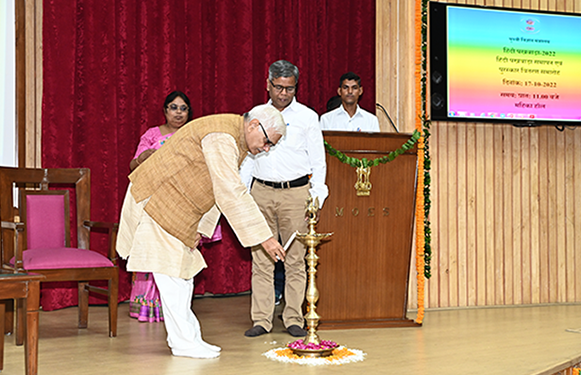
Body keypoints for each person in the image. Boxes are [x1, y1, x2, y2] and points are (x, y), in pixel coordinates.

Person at [116, 104, 287, 359]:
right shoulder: (222, 135)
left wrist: (200, 228)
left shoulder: (234, 136)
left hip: (177, 208)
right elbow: (229, 191)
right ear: (253, 125)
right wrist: (266, 238)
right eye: (267, 142)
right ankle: (184, 343)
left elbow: (213, 186)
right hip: (157, 201)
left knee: (183, 277)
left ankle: (190, 338)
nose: (266, 149)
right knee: (172, 277)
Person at [241, 60, 328, 338]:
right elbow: (247, 160)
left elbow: (319, 161)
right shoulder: (254, 114)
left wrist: (316, 197)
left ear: (296, 87)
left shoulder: (308, 117)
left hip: (296, 193)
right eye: (278, 87)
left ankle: (293, 318)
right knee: (262, 260)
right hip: (261, 192)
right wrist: (242, 196)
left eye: (289, 88)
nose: (282, 93)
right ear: (268, 84)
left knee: (295, 260)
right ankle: (262, 320)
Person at [127, 91, 193, 323]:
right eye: (173, 107)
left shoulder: (191, 134)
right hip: (154, 200)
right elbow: (134, 166)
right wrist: (145, 156)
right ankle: (147, 307)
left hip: (183, 201)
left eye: (183, 108)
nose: (178, 112)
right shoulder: (152, 135)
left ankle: (176, 307)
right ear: (165, 110)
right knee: (153, 249)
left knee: (176, 252)